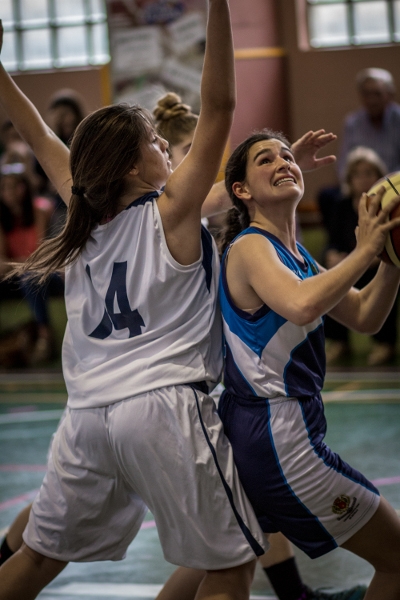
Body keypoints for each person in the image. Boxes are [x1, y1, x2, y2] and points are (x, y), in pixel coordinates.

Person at [0, 4, 267, 599]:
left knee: (37, 559)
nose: (166, 147)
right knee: (229, 569)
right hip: (163, 407)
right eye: (154, 141)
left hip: (86, 417)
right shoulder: (170, 210)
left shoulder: (83, 216)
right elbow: (220, 105)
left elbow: (38, 134)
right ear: (130, 164)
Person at [152, 93, 367, 600]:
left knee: (229, 551)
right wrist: (283, 164)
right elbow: (225, 192)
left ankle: (296, 595)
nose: (200, 163)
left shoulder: (220, 226)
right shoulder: (171, 216)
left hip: (219, 395)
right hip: (176, 394)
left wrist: (281, 164)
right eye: (189, 152)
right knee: (228, 551)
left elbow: (235, 190)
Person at [213, 128, 400, 600]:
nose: (283, 162)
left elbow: (365, 316)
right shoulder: (251, 246)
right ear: (241, 190)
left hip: (265, 434)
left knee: (223, 576)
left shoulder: (296, 256)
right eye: (265, 159)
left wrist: (391, 257)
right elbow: (301, 305)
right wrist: (365, 249)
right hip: (278, 437)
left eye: (286, 156)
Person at [324, 146, 398, 365]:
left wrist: (362, 260)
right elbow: (333, 241)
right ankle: (339, 341)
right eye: (358, 174)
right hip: (352, 262)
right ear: (350, 179)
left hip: (378, 262)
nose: (363, 179)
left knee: (383, 279)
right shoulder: (341, 206)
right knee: (330, 279)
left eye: (369, 173)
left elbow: (388, 244)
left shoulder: (389, 206)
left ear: (379, 176)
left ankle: (385, 343)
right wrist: (333, 255)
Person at [0, 163, 57, 363]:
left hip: (44, 273)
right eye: (4, 187)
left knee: (30, 277)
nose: (9, 192)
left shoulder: (39, 210)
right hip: (16, 275)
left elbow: (40, 258)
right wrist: (17, 264)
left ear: (24, 188)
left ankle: (45, 336)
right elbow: (1, 262)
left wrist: (13, 264)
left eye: (13, 186)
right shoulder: (2, 220)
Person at [337, 68, 400, 181]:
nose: (372, 100)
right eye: (367, 94)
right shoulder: (352, 123)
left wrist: (384, 183)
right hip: (362, 185)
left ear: (390, 95)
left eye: (377, 94)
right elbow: (343, 166)